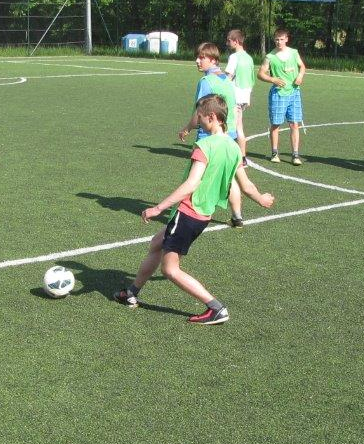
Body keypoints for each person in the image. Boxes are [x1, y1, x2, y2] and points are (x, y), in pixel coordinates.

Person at [112, 94, 275, 324]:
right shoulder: (233, 147)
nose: (198, 122)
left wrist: (158, 208)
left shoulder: (204, 146)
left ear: (212, 117)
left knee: (170, 270)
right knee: (157, 243)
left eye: (200, 117)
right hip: (203, 215)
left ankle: (216, 308)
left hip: (188, 213)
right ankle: (132, 292)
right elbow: (246, 185)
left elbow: (191, 184)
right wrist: (261, 199)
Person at [179, 41, 243, 227]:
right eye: (197, 57)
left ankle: (187, 214)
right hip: (228, 135)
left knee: (195, 177)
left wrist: (187, 128)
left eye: (202, 58)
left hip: (209, 137)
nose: (197, 61)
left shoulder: (206, 82)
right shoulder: (228, 80)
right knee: (229, 177)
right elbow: (235, 109)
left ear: (213, 60)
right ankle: (237, 216)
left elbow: (200, 113)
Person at [259, 28, 306, 165]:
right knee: (276, 124)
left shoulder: (294, 52)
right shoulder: (270, 56)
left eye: (281, 39)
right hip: (278, 94)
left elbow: (302, 66)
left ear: (286, 39)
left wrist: (300, 76)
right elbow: (260, 74)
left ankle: (295, 155)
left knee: (294, 123)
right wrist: (272, 79)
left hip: (294, 93)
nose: (279, 42)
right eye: (276, 39)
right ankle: (275, 153)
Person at [224, 29, 256, 165]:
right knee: (239, 127)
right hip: (244, 97)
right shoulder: (249, 58)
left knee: (231, 127)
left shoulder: (234, 57)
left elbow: (228, 77)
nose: (227, 43)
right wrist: (247, 98)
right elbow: (252, 80)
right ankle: (242, 157)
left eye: (229, 41)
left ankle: (233, 156)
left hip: (234, 97)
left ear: (236, 41)